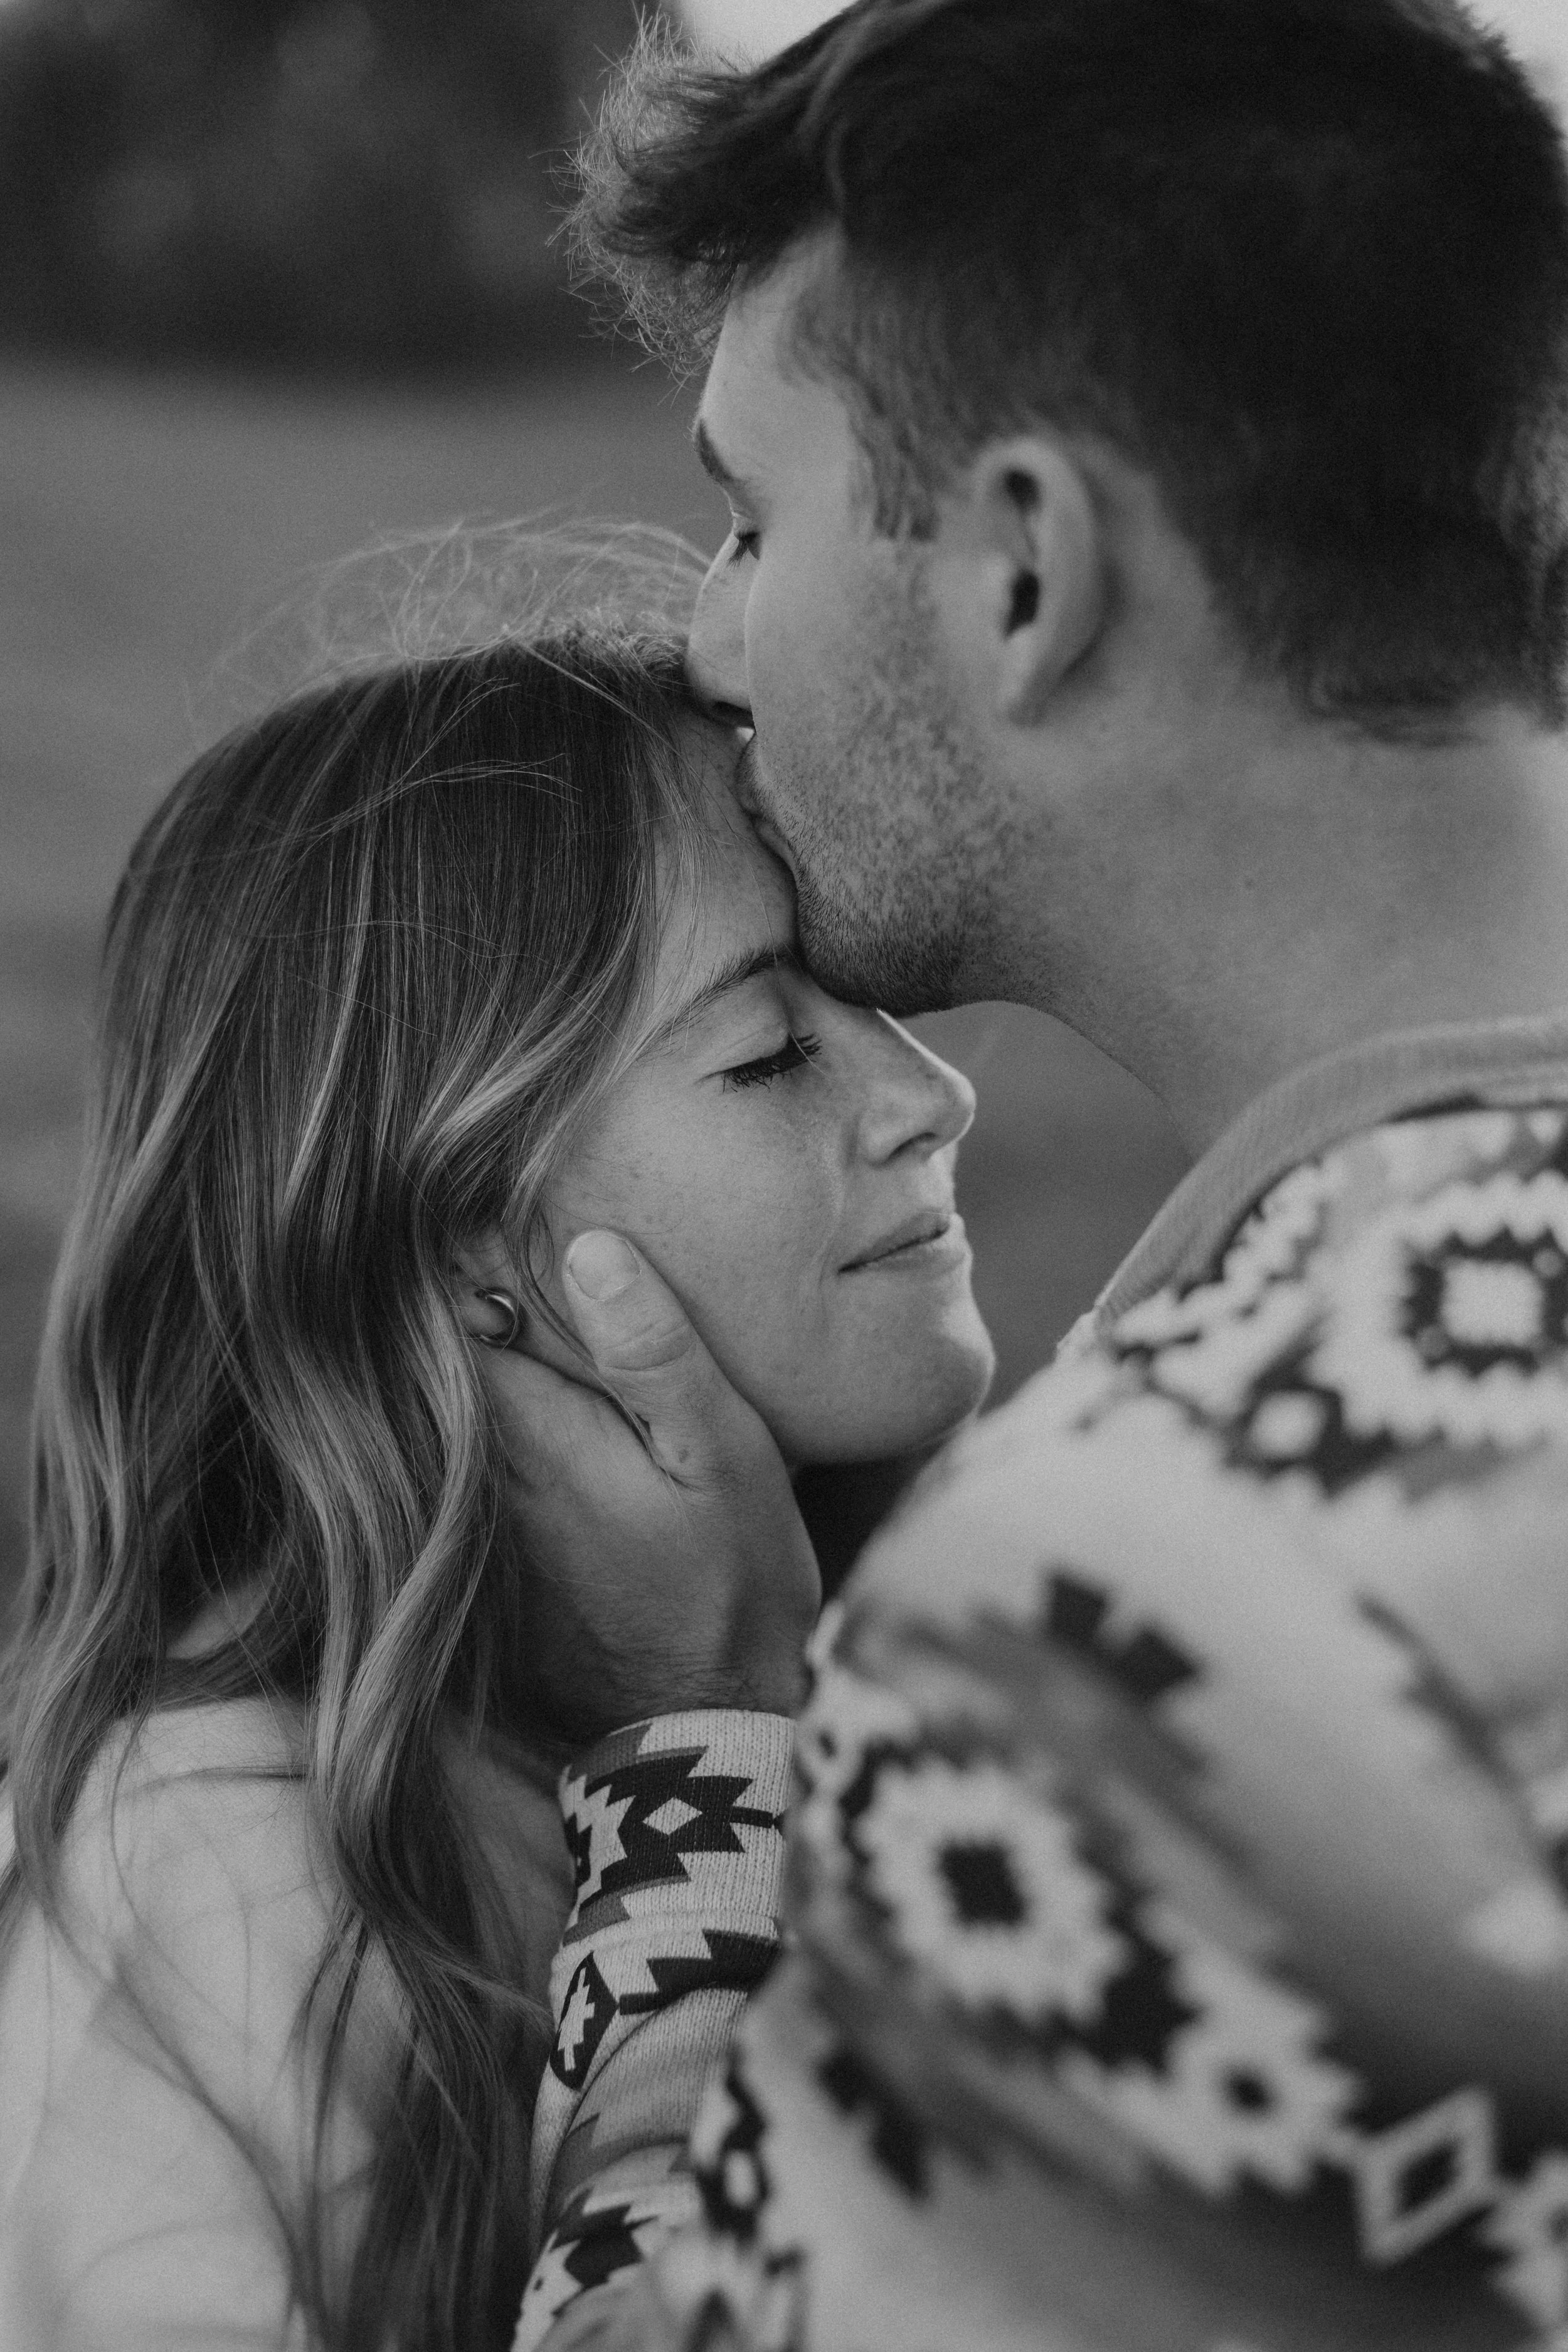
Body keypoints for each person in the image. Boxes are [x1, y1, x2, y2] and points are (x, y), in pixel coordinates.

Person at [501, 3, 1568, 2346]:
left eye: (753, 519)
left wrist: (709, 1737)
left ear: (1019, 570)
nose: (707, 636)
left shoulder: (1163, 1596)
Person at [0, 623, 993, 2349]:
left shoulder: (946, 1681)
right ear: (464, 1245)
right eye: (770, 1052)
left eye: (882, 1008)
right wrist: (711, 1764)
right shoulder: (226, 1877)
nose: (932, 1093)